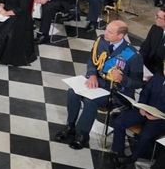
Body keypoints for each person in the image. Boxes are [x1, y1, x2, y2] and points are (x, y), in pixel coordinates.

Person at [55, 20, 142, 150]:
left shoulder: (133, 55)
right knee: (72, 92)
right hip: (97, 83)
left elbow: (137, 83)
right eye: (106, 29)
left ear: (120, 36)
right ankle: (70, 127)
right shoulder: (101, 41)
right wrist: (92, 74)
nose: (105, 33)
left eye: (110, 32)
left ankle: (82, 135)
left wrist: (122, 79)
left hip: (116, 92)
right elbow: (92, 60)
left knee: (91, 101)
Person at [109, 62, 165, 169]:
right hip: (145, 110)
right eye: (164, 68)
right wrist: (142, 107)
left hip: (161, 118)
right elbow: (145, 92)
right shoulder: (157, 78)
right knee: (119, 121)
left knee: (146, 135)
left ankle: (132, 158)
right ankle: (118, 152)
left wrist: (159, 116)